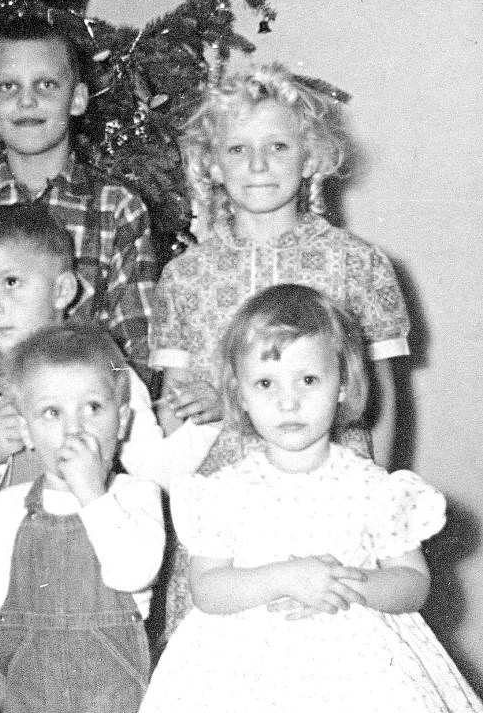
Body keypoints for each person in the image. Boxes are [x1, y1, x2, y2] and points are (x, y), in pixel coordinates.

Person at [151, 62, 411, 635]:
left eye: (277, 145)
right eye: (238, 149)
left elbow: (381, 401)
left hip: (335, 506)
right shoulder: (185, 276)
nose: (259, 164)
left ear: (311, 157)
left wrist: (375, 515)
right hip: (229, 531)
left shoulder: (358, 263)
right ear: (212, 165)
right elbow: (175, 419)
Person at [141, 284, 483, 713]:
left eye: (308, 379)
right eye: (265, 383)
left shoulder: (374, 488)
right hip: (242, 674)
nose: (288, 400)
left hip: (358, 671)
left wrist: (349, 585)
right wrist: (286, 578)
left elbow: (413, 583)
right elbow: (207, 588)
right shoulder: (222, 491)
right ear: (240, 395)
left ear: (342, 384)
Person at [0, 204, 210, 563]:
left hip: (91, 569)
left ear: (62, 290)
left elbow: (158, 473)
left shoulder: (110, 373)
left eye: (10, 282)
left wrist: (207, 424)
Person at [0, 14, 157, 409]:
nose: (27, 101)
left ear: (77, 99)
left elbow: (135, 347)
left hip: (86, 428)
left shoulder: (117, 207)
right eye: (9, 87)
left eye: (45, 85)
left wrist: (103, 413)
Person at [0, 324, 165, 713]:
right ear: (26, 431)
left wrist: (92, 495)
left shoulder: (136, 496)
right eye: (52, 412)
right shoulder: (6, 510)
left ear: (123, 421)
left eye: (93, 407)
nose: (74, 428)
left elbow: (134, 572)